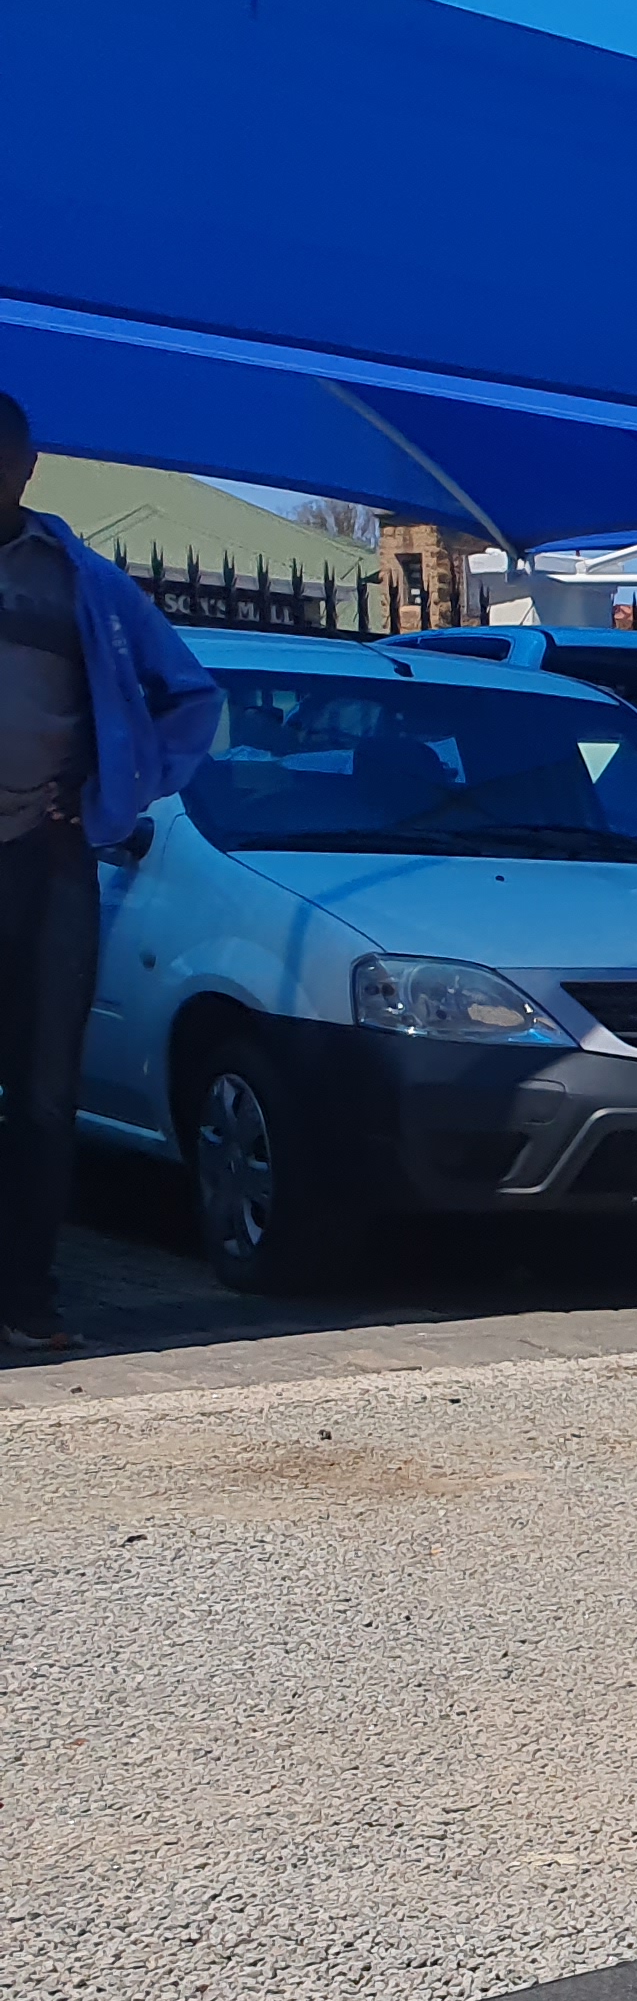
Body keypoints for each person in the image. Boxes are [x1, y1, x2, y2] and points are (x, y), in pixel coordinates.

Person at [0, 392, 220, 1352]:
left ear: (25, 468)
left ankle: (26, 1297)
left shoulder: (82, 585)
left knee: (45, 1096)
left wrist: (108, 794)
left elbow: (189, 696)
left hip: (47, 863)